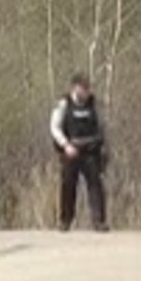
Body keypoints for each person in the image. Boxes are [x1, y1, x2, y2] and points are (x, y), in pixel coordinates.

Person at [50, 72, 110, 231]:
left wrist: (104, 148)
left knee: (95, 185)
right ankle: (65, 220)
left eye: (87, 88)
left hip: (91, 150)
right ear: (75, 88)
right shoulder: (64, 104)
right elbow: (55, 128)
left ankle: (99, 221)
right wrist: (65, 145)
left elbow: (102, 126)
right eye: (83, 88)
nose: (86, 92)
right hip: (71, 150)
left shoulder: (94, 105)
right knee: (68, 185)